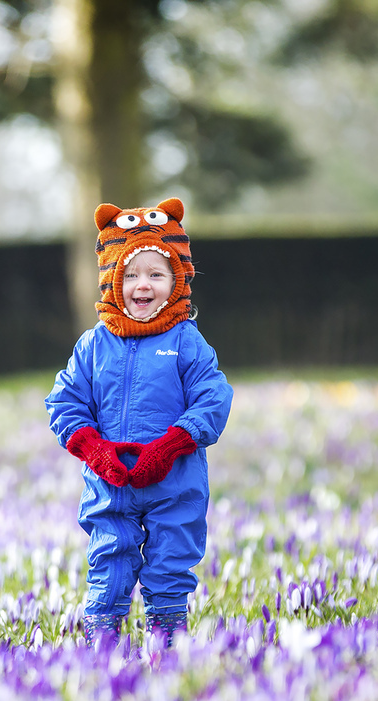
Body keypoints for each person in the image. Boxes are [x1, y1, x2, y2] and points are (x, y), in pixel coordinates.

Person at [45, 198, 233, 648]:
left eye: (156, 274)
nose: (142, 285)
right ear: (112, 280)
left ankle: (167, 631)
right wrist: (93, 449)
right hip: (111, 482)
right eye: (130, 275)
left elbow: (213, 396)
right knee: (109, 554)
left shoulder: (187, 340)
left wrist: (171, 445)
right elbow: (64, 401)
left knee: (172, 556)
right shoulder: (94, 345)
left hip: (176, 479)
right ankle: (103, 636)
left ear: (177, 280)